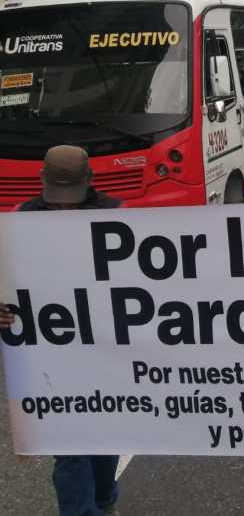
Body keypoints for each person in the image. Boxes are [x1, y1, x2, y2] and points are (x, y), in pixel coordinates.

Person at [0, 145, 123, 516]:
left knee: (104, 435)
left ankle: (104, 498)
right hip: (50, 357)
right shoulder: (19, 218)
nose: (64, 208)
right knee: (69, 448)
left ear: (91, 182)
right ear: (41, 183)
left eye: (72, 199)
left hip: (107, 352)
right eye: (57, 200)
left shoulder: (119, 216)